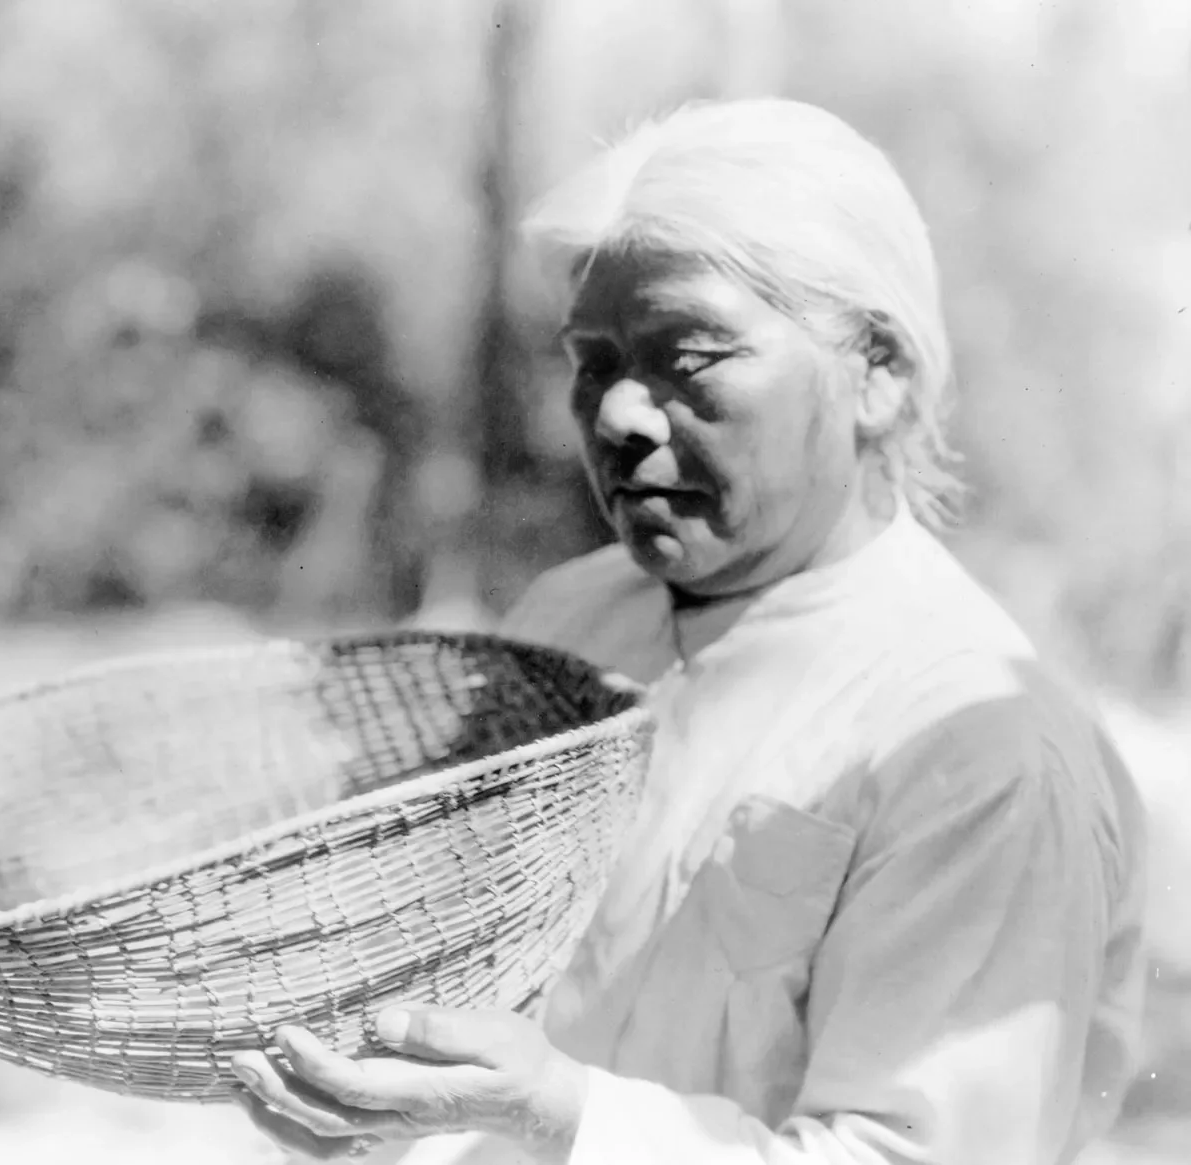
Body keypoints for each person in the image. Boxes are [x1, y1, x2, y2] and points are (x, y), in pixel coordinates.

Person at [228, 98, 1149, 1165]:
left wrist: (567, 1117)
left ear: (877, 375)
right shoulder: (567, 622)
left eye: (689, 356)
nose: (616, 415)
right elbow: (451, 996)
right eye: (593, 361)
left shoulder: (974, 748)